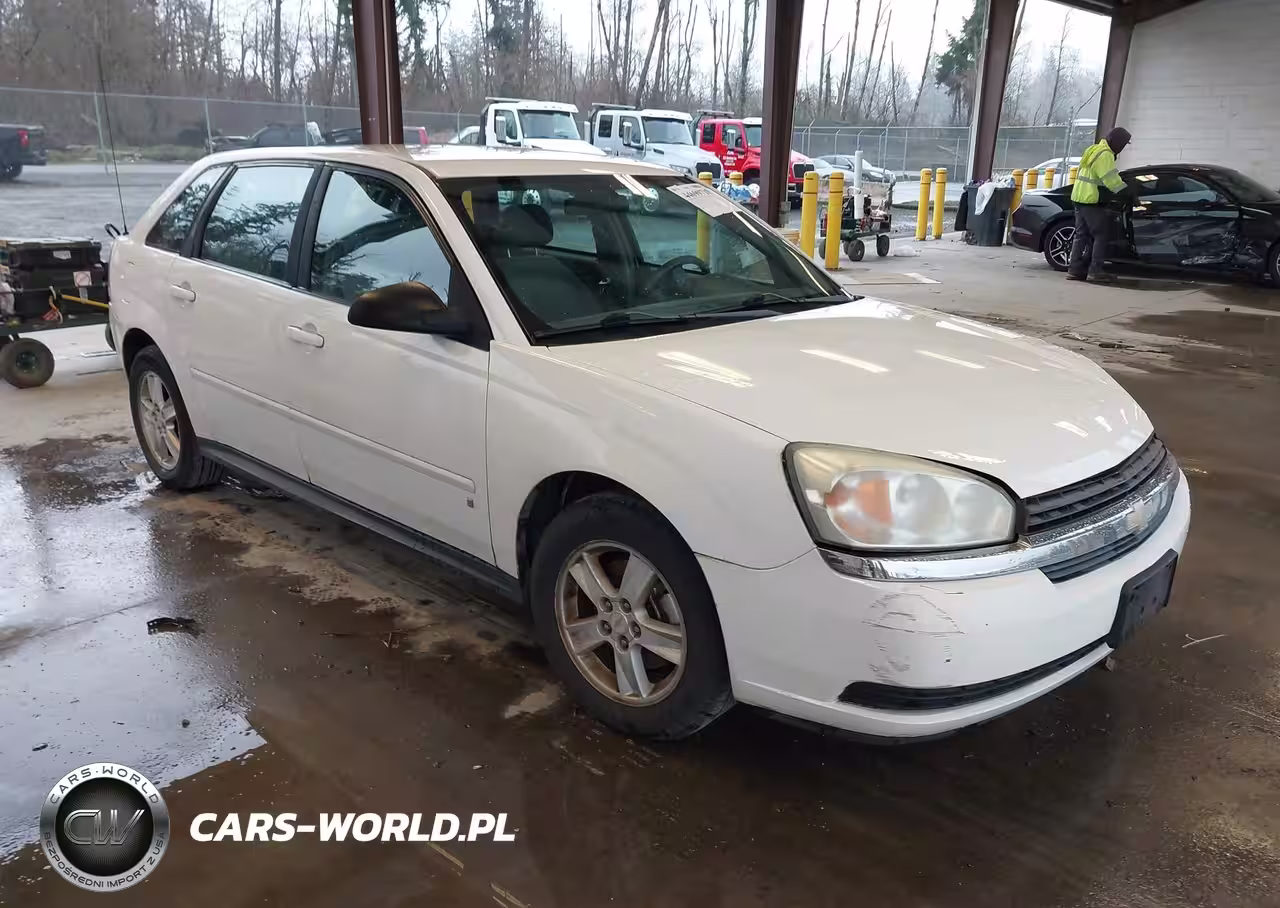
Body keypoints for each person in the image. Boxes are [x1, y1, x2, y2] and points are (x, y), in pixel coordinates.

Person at [1066, 126, 1131, 283]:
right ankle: (1095, 271)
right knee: (1101, 235)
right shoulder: (1105, 155)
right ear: (1114, 142)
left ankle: (1074, 270)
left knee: (1081, 235)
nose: (1122, 149)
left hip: (1079, 197)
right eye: (1122, 144)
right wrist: (1128, 193)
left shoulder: (1093, 149)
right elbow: (1111, 180)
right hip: (1090, 199)